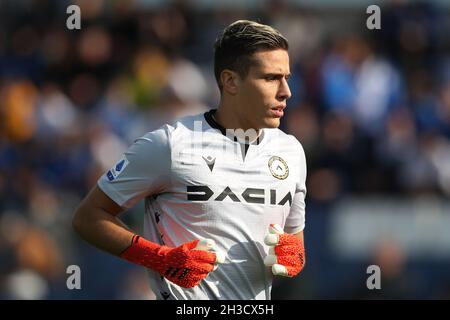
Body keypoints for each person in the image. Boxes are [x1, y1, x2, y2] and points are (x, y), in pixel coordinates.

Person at [73, 20, 307, 300]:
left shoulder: (291, 151)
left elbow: (294, 242)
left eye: (287, 78)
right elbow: (88, 217)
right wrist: (159, 258)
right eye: (270, 78)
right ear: (230, 81)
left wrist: (294, 257)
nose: (286, 92)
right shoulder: (172, 143)